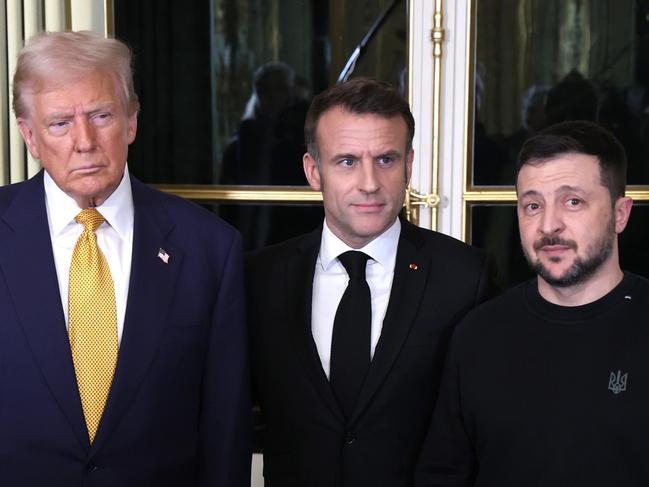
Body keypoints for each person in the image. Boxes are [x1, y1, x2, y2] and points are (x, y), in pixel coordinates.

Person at [0, 31, 250, 486]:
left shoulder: (210, 250)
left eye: (101, 115)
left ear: (131, 121)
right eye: (60, 123)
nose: (85, 141)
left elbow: (224, 431)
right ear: (30, 136)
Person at [245, 77, 495, 487]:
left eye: (386, 160)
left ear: (409, 165)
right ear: (313, 170)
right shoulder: (259, 279)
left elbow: (484, 427)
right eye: (347, 161)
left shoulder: (464, 277)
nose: (369, 183)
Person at [415, 120, 649, 486]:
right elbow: (442, 475)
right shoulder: (478, 335)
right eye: (532, 205)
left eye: (573, 202)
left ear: (620, 214)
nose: (548, 225)